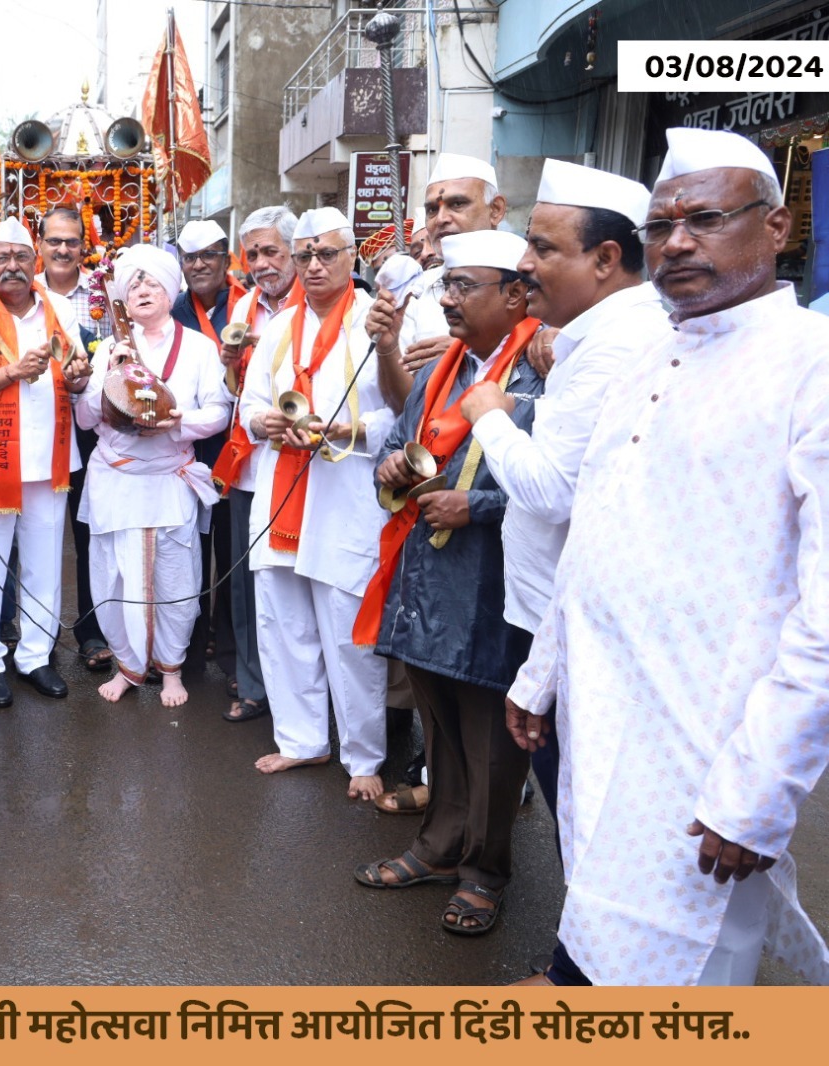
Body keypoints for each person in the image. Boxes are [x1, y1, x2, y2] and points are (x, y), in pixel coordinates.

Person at [506, 128, 829, 985]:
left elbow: (825, 617)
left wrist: (761, 789)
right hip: (602, 710)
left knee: (687, 958)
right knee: (594, 905)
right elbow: (594, 529)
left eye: (707, 218)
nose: (678, 241)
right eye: (661, 226)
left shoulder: (813, 367)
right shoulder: (651, 353)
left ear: (778, 227)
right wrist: (542, 673)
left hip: (708, 747)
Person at [458, 159, 664, 986]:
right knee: (576, 807)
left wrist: (492, 419)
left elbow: (551, 491)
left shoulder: (618, 345)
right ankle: (581, 967)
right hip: (553, 618)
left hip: (574, 626)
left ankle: (586, 981)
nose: (526, 265)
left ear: (606, 260)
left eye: (542, 248)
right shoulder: (595, 337)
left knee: (589, 814)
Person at [352, 230, 543, 937]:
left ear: (516, 295)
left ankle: (484, 873)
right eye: (447, 286)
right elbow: (404, 442)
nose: (450, 299)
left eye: (466, 286)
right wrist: (394, 468)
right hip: (427, 577)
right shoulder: (446, 367)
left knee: (491, 737)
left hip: (495, 583)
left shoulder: (540, 371)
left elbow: (559, 485)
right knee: (440, 729)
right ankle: (439, 846)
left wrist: (479, 505)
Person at [240, 208, 394, 798]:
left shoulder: (372, 322)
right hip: (282, 485)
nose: (313, 266)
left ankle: (363, 757)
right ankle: (301, 741)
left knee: (346, 628)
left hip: (346, 490)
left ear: (352, 256)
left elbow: (401, 412)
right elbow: (248, 405)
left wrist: (350, 432)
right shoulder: (279, 327)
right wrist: (264, 420)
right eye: (303, 255)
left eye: (326, 254)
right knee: (283, 625)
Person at [0, 216, 96, 707]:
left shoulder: (57, 310)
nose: (12, 267)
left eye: (20, 258)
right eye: (1, 258)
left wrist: (77, 375)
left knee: (45, 565)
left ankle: (34, 656)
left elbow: (74, 379)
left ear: (36, 262)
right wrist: (12, 371)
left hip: (48, 462)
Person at [75, 245, 230, 706]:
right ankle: (127, 666)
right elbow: (84, 420)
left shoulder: (201, 347)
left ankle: (172, 669)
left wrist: (178, 422)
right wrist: (103, 385)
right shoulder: (108, 349)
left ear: (171, 290)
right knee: (112, 575)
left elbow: (220, 412)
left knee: (177, 576)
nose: (143, 290)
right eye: (134, 284)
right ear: (123, 296)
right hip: (115, 479)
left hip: (168, 476)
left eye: (153, 282)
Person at [212, 205, 303, 725]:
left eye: (272, 251)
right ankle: (253, 684)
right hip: (250, 464)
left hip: (305, 465)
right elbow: (236, 394)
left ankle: (303, 691)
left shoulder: (316, 304)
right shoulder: (243, 306)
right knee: (246, 585)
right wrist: (230, 367)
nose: (262, 263)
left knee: (296, 582)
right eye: (253, 254)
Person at [369, 154, 507, 408]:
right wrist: (387, 347)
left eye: (457, 204)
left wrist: (470, 352)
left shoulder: (533, 284)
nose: (440, 218)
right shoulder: (417, 291)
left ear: (496, 210)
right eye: (433, 209)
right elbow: (404, 407)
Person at [38, 207, 112, 672]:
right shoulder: (20, 291)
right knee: (35, 535)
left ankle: (91, 631)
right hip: (34, 428)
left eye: (71, 241)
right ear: (40, 243)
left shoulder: (106, 291)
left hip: (87, 430)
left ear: (84, 246)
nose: (63, 249)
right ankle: (34, 636)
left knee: (88, 533)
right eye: (54, 241)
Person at [171, 219, 245, 672]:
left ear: (226, 260)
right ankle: (190, 649)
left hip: (239, 448)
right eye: (190, 258)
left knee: (234, 555)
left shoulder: (248, 306)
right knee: (191, 551)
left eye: (209, 256)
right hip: (187, 450)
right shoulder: (174, 309)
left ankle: (235, 653)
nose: (199, 265)